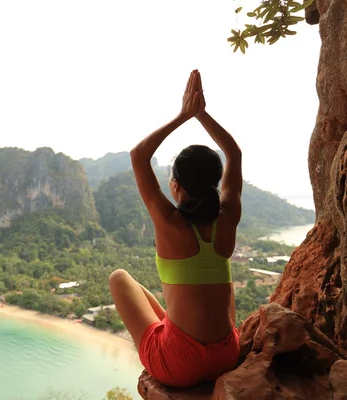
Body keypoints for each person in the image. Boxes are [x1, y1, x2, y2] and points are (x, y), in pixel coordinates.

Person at [109, 69, 242, 387]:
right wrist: (202, 116)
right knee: (177, 308)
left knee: (119, 278)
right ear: (214, 184)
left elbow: (139, 155)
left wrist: (185, 114)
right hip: (227, 355)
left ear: (176, 186)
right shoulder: (228, 217)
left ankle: (174, 336)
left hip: (179, 365)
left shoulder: (170, 224)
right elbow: (234, 153)